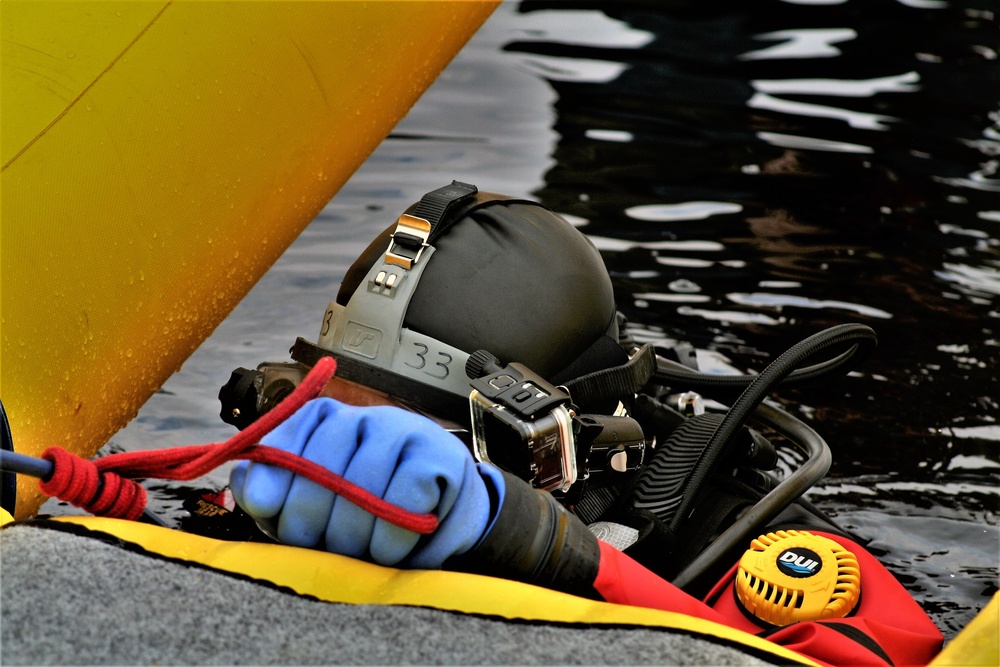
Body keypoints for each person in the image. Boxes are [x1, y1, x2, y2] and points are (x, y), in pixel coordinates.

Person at [225, 182, 942, 666]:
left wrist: (532, 544)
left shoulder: (753, 560)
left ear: (560, 449)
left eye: (420, 442)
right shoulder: (286, 489)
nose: (355, 464)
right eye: (330, 411)